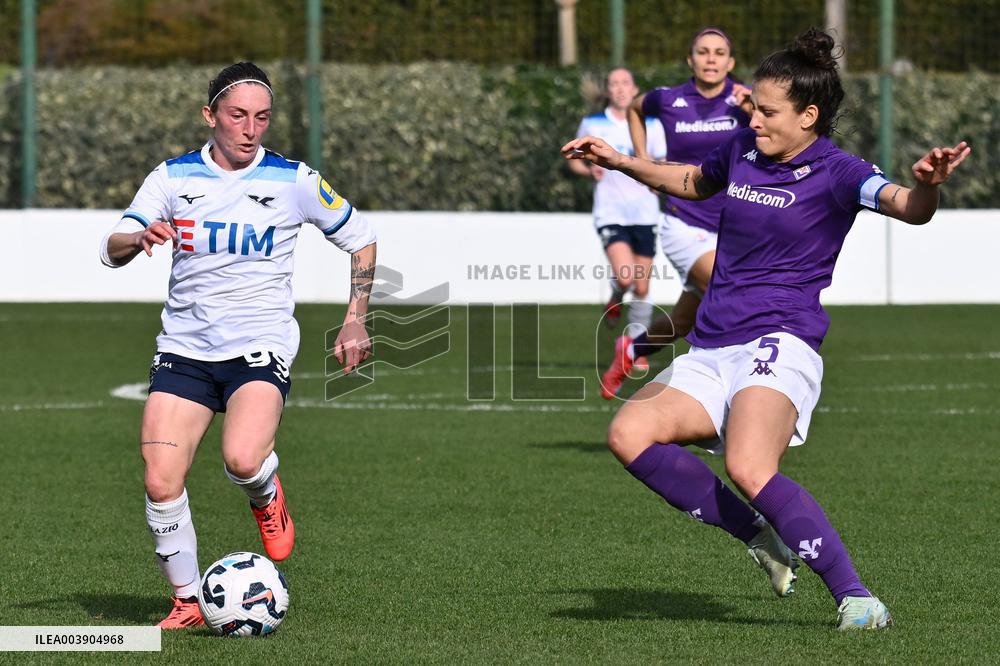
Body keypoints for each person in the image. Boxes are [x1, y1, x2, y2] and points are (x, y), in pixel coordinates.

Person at [564, 28, 969, 630]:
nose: (753, 119)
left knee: (749, 467)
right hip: (713, 342)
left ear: (809, 116)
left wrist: (929, 185)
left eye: (768, 112)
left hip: (780, 339)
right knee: (629, 434)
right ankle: (759, 535)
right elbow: (694, 181)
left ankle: (857, 599)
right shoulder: (742, 148)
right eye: (753, 106)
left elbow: (908, 207)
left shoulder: (840, 171)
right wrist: (622, 162)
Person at [99, 62, 377, 628]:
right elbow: (112, 247)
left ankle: (265, 492)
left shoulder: (294, 180)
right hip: (185, 348)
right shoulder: (173, 178)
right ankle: (186, 602)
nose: (250, 129)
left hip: (258, 344)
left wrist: (356, 319)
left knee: (243, 459)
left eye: (262, 118)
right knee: (160, 479)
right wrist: (139, 236)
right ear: (210, 116)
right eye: (237, 116)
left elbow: (362, 238)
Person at [600, 27, 752, 399]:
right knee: (730, 290)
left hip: (732, 226)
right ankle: (728, 386)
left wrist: (754, 110)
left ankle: (631, 350)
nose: (711, 58)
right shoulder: (669, 99)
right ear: (690, 59)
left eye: (719, 53)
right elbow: (635, 108)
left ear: (730, 62)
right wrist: (644, 162)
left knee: (682, 322)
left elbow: (776, 139)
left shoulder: (745, 102)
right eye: (703, 51)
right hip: (684, 222)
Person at [569, 67, 667, 346]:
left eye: (626, 83)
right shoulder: (593, 124)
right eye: (615, 84)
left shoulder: (652, 124)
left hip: (645, 213)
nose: (621, 88)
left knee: (643, 286)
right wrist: (589, 170)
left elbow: (661, 162)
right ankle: (616, 294)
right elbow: (575, 159)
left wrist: (658, 180)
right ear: (608, 91)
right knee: (625, 277)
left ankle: (635, 348)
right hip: (611, 212)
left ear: (635, 89)